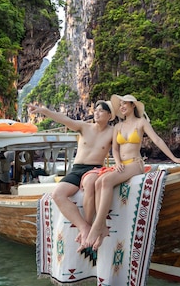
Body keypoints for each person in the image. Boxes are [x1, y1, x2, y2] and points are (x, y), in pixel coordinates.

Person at [84, 94, 180, 251]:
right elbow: (115, 149)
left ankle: (98, 227)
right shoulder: (118, 127)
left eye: (125, 104)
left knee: (106, 181)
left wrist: (174, 158)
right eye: (120, 104)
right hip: (122, 164)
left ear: (133, 105)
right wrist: (118, 163)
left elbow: (157, 140)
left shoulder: (141, 122)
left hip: (135, 164)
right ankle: (102, 229)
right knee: (99, 181)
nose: (122, 107)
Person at [28, 100, 116, 246]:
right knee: (58, 194)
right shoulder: (84, 127)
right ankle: (84, 227)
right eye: (96, 110)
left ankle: (89, 227)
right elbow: (63, 119)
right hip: (76, 169)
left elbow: (125, 145)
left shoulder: (113, 132)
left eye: (101, 111)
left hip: (94, 169)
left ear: (109, 115)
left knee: (89, 184)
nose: (96, 113)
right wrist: (42, 110)